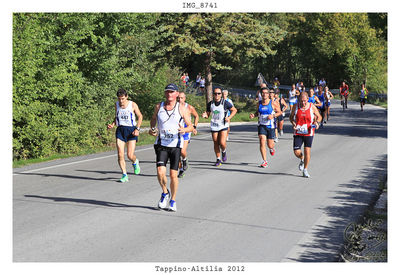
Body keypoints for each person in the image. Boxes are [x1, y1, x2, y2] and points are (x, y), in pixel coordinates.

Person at [149, 83, 194, 212]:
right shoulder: (159, 106)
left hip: (176, 145)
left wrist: (184, 129)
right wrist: (153, 128)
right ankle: (165, 193)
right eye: (167, 92)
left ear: (176, 94)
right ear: (165, 93)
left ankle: (173, 201)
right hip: (162, 144)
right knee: (160, 172)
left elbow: (191, 126)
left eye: (172, 92)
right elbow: (153, 119)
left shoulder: (182, 109)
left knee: (173, 175)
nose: (169, 94)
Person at [107, 88, 143, 182]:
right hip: (120, 130)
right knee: (120, 154)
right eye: (119, 99)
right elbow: (117, 117)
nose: (121, 101)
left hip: (131, 130)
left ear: (126, 97)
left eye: (123, 98)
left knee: (130, 155)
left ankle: (135, 162)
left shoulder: (132, 104)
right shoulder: (116, 105)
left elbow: (140, 116)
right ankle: (124, 174)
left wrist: (137, 129)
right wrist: (113, 124)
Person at [289, 92, 322, 178]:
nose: (303, 103)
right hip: (298, 132)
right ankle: (302, 158)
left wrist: (317, 123)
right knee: (296, 151)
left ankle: (305, 170)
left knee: (307, 151)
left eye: (304, 101)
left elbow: (319, 116)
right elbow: (291, 117)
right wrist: (293, 123)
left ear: (307, 99)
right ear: (299, 100)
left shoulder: (312, 106)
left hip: (309, 132)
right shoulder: (296, 106)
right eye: (301, 101)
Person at [202, 88, 237, 167]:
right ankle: (218, 159)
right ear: (213, 95)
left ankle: (224, 151)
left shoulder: (225, 103)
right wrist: (205, 115)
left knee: (222, 142)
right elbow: (208, 114)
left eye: (218, 93)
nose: (217, 95)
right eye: (215, 93)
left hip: (223, 125)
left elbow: (234, 110)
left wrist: (229, 117)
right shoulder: (210, 104)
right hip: (214, 125)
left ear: (221, 94)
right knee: (215, 142)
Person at [249, 87, 282, 168]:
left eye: (266, 93)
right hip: (261, 125)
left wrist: (273, 115)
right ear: (261, 94)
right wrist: (254, 115)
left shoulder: (273, 103)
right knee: (262, 140)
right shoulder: (259, 103)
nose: (264, 94)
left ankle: (271, 148)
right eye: (262, 93)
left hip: (270, 126)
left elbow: (280, 112)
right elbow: (257, 112)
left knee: (270, 145)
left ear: (268, 94)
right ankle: (264, 161)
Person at [177, 91, 199, 178]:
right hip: (177, 131)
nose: (179, 99)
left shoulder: (189, 107)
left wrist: (194, 127)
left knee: (182, 151)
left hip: (186, 131)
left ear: (184, 98)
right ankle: (181, 169)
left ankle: (185, 160)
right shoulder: (173, 107)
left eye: (181, 98)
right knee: (177, 153)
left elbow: (196, 116)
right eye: (178, 98)